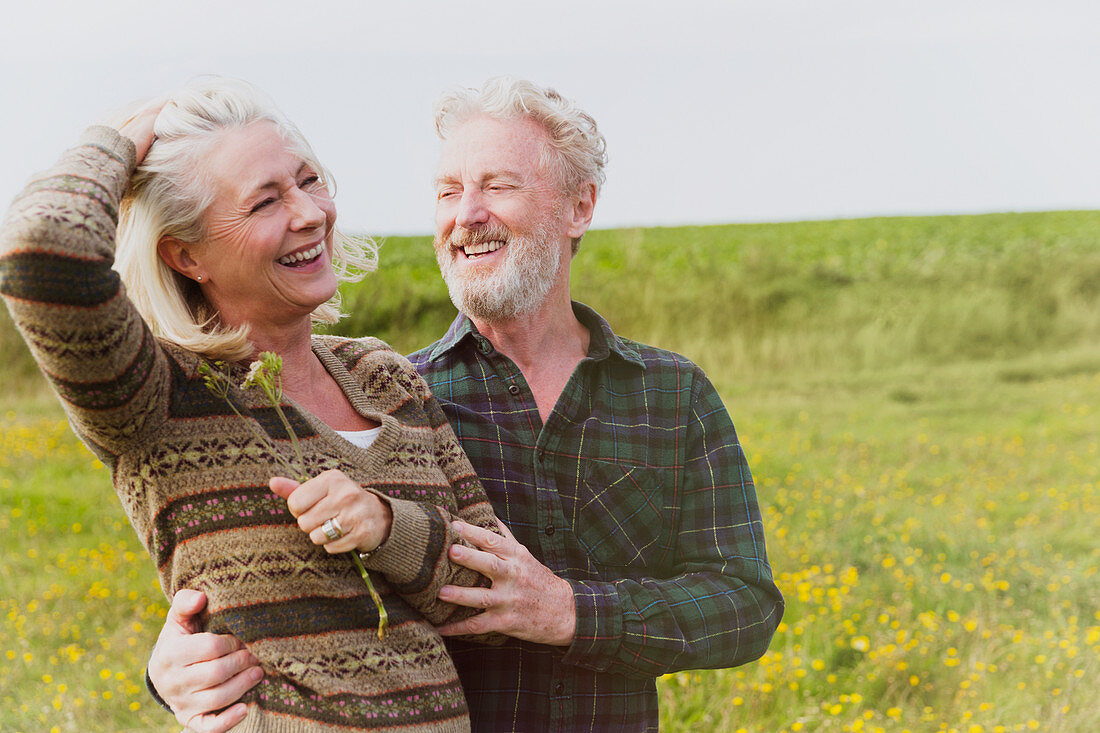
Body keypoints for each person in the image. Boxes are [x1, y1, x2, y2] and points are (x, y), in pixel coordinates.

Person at [148, 77, 785, 733]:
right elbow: (273, 584)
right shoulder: (387, 406)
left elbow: (745, 605)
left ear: (579, 206)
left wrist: (571, 610)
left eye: (497, 186)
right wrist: (175, 665)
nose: (466, 214)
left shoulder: (671, 395)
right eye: (448, 192)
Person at [0, 77, 508, 732]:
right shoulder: (153, 394)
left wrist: (386, 524)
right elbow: (42, 249)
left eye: (307, 180)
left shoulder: (381, 372)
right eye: (264, 201)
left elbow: (497, 590)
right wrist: (124, 137)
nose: (309, 213)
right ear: (185, 254)